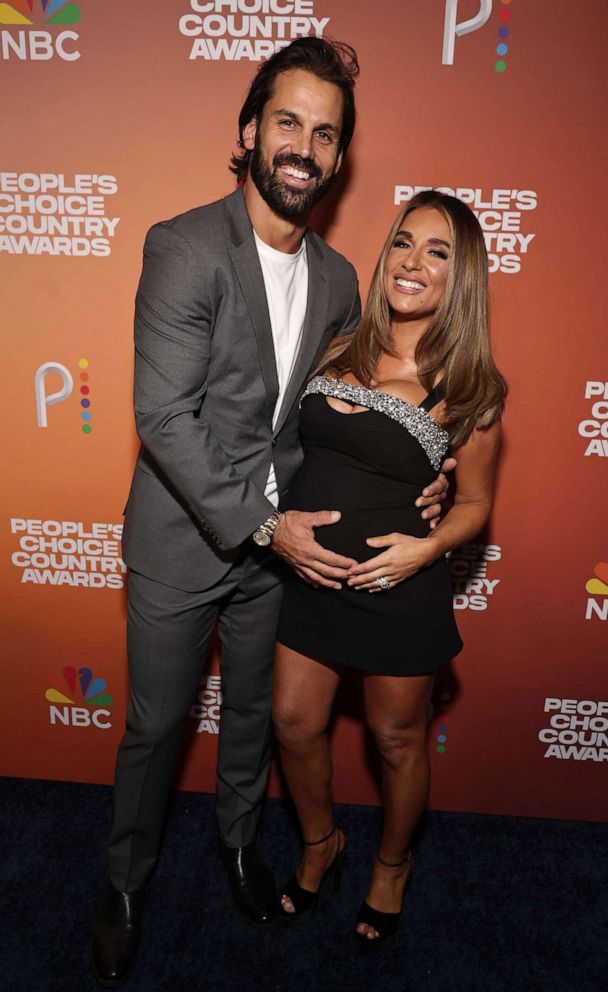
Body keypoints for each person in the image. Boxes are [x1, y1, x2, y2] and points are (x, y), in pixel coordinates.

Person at [91, 38, 452, 987]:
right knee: (158, 725)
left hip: (279, 555)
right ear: (249, 132)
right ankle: (126, 884)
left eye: (325, 134)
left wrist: (433, 468)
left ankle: (243, 848)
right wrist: (261, 525)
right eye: (287, 122)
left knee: (251, 718)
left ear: (338, 159)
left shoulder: (339, 280)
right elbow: (163, 417)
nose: (304, 145)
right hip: (184, 540)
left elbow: (353, 412)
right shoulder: (183, 245)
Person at [272, 189, 507, 952]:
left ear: (459, 276)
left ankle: (392, 866)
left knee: (396, 740)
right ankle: (319, 844)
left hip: (396, 590)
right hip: (306, 575)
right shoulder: (338, 342)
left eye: (436, 252)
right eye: (404, 242)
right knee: (294, 724)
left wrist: (424, 550)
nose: (412, 262)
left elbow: (472, 504)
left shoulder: (470, 389)